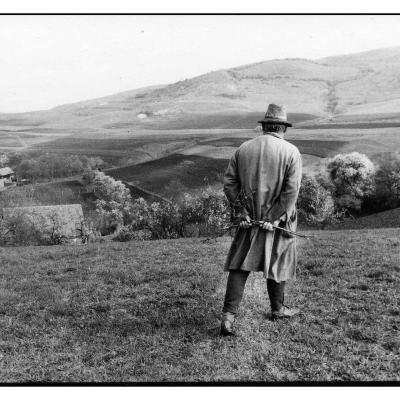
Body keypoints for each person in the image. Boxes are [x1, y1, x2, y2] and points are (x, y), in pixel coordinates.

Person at [221, 104, 302, 336]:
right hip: (278, 223)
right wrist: (273, 217)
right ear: (283, 128)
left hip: (248, 220)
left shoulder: (243, 149)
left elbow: (229, 184)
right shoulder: (291, 152)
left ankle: (228, 317)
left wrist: (241, 212)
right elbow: (291, 192)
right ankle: (278, 310)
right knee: (278, 262)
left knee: (239, 266)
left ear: (265, 126)